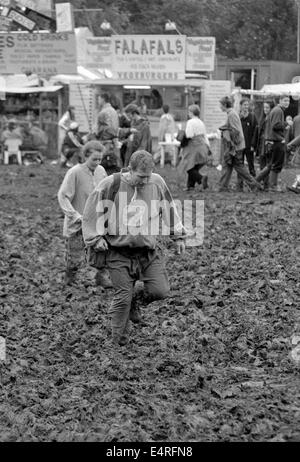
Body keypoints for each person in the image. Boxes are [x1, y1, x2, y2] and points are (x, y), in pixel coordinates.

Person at [82, 150, 186, 347]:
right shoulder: (111, 184)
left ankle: (135, 301)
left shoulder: (156, 182)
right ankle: (117, 343)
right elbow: (91, 211)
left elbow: (169, 207)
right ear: (130, 170)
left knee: (160, 291)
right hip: (118, 251)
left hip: (147, 251)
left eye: (148, 176)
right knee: (122, 298)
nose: (145, 181)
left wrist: (178, 236)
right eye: (141, 177)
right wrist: (95, 239)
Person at [58, 140, 112, 288]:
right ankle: (71, 279)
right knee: (75, 254)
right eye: (94, 159)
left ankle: (101, 277)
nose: (97, 162)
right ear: (85, 156)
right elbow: (63, 196)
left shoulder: (101, 171)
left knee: (102, 250)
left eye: (100, 159)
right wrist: (74, 216)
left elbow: (106, 192)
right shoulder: (74, 172)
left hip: (95, 221)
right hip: (77, 221)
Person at [218, 96, 262, 192]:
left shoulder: (232, 115)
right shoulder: (231, 113)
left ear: (225, 105)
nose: (219, 107)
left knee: (239, 167)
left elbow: (235, 131)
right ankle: (223, 186)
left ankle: (254, 184)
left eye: (220, 105)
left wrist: (232, 146)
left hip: (235, 146)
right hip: (236, 146)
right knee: (228, 165)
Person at [255, 95, 290, 191]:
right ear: (280, 101)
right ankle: (273, 186)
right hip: (276, 141)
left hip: (272, 141)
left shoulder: (276, 110)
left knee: (270, 164)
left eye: (288, 101)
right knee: (276, 165)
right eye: (285, 100)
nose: (287, 102)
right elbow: (276, 126)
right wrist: (286, 123)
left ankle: (254, 182)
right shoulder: (278, 111)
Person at [178, 104, 209, 192]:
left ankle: (201, 178)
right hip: (202, 146)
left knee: (188, 167)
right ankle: (190, 186)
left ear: (191, 112)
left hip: (193, 147)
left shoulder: (190, 122)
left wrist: (182, 133)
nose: (188, 113)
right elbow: (204, 135)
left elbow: (189, 135)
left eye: (189, 111)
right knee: (194, 167)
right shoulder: (201, 122)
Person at [237, 98, 258, 190]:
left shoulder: (252, 117)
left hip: (249, 145)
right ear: (240, 106)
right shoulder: (237, 117)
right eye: (244, 105)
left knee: (251, 165)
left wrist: (253, 145)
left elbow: (255, 132)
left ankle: (254, 184)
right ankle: (239, 185)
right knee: (239, 165)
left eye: (247, 105)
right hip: (239, 146)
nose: (246, 107)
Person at [254, 101, 274, 190]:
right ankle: (263, 184)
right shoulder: (263, 118)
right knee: (262, 165)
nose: (265, 109)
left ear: (271, 108)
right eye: (264, 107)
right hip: (262, 144)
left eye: (267, 108)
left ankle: (264, 184)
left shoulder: (271, 118)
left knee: (267, 165)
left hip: (268, 144)